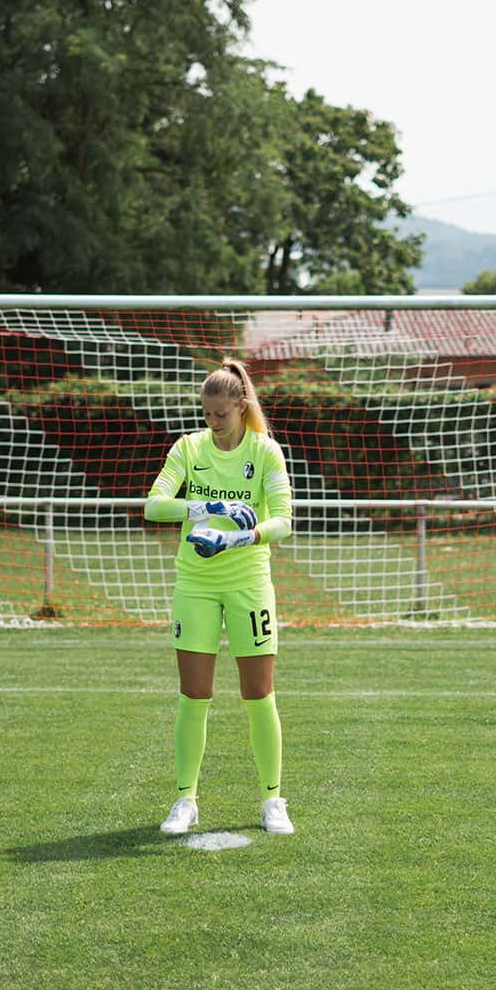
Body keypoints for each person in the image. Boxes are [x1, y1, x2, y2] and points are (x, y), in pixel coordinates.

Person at [143, 358, 296, 836]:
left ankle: (273, 800)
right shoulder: (188, 449)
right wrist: (204, 505)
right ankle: (185, 799)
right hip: (196, 584)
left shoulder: (266, 452)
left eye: (221, 415)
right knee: (194, 695)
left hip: (249, 583)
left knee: (258, 694)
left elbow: (284, 521)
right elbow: (153, 505)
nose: (212, 423)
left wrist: (242, 538)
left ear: (241, 406)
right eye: (206, 414)